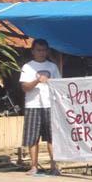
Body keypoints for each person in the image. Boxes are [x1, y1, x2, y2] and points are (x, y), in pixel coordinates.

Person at [20, 38, 61, 175]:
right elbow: (25, 87)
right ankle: (33, 166)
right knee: (33, 137)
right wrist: (37, 80)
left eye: (44, 50)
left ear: (47, 51)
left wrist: (50, 82)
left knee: (52, 137)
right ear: (33, 51)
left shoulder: (53, 67)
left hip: (50, 105)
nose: (41, 53)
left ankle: (54, 166)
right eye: (38, 50)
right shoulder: (27, 67)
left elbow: (60, 86)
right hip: (33, 105)